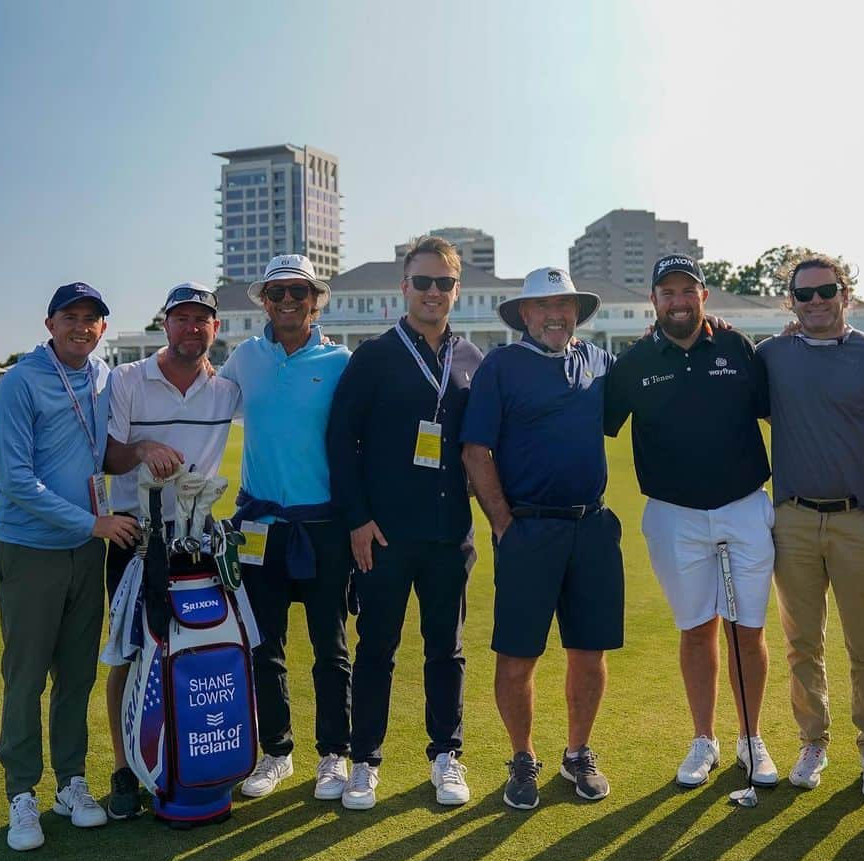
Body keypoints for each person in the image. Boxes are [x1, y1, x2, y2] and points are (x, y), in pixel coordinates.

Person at [604, 254, 779, 792]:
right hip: (674, 515)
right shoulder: (633, 362)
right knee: (696, 628)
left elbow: (778, 412)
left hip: (744, 505)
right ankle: (704, 738)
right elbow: (597, 426)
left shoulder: (736, 347)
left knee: (747, 628)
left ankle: (752, 737)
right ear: (653, 301)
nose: (677, 301)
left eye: (687, 291)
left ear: (704, 296)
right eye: (667, 293)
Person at [327, 237, 482, 809]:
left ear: (456, 290)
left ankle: (447, 755)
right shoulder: (373, 356)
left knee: (447, 648)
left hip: (448, 535)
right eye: (423, 282)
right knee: (377, 650)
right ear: (404, 288)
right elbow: (341, 443)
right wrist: (358, 521)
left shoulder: (470, 359)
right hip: (384, 535)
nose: (433, 293)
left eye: (443, 283)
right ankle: (365, 759)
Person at [461, 268, 623, 810]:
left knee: (589, 650)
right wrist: (504, 523)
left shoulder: (599, 361)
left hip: (592, 528)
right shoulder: (502, 366)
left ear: (577, 311)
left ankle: (578, 752)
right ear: (524, 315)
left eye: (565, 304)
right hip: (529, 529)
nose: (556, 313)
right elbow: (475, 451)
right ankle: (523, 758)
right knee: (517, 655)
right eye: (543, 305)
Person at [0, 283, 141, 851]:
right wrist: (93, 525)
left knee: (77, 673)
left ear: (103, 328)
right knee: (27, 676)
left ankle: (71, 782)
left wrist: (145, 448)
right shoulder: (21, 382)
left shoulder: (104, 377)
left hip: (84, 550)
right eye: (71, 317)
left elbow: (105, 451)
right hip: (33, 546)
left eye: (92, 319)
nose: (82, 327)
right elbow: (16, 481)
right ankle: (21, 792)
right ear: (50, 322)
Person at [755, 254, 864, 797]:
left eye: (827, 291)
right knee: (801, 644)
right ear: (790, 300)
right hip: (791, 518)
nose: (816, 302)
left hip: (857, 519)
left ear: (846, 294)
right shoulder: (769, 356)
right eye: (805, 294)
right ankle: (813, 741)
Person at [99, 282, 241, 819]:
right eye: (180, 319)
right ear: (165, 325)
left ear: (215, 328)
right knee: (129, 653)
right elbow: (109, 457)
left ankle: (181, 761)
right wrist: (142, 449)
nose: (191, 328)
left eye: (201, 319)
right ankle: (122, 768)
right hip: (135, 541)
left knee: (191, 654)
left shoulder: (226, 390)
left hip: (199, 544)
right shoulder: (129, 379)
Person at [219, 255, 353, 802]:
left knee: (331, 647)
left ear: (316, 299)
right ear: (265, 302)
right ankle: (277, 752)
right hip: (258, 526)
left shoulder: (342, 361)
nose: (289, 301)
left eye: (300, 292)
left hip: (322, 526)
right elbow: (202, 403)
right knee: (264, 646)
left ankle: (334, 754)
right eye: (278, 294)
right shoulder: (244, 357)